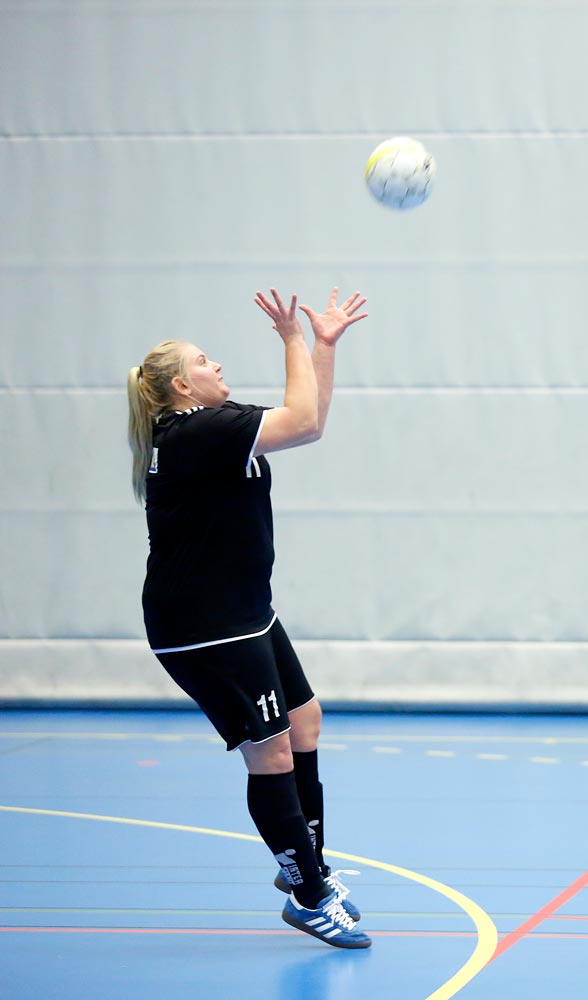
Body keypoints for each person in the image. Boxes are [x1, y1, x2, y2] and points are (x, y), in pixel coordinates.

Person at [126, 288, 372, 947]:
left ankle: (310, 868)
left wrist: (323, 345)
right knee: (269, 754)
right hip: (205, 626)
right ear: (182, 384)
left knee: (304, 720)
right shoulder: (197, 432)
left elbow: (309, 421)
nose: (218, 365)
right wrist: (292, 337)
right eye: (206, 360)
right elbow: (301, 419)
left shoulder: (213, 425)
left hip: (245, 612)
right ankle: (308, 892)